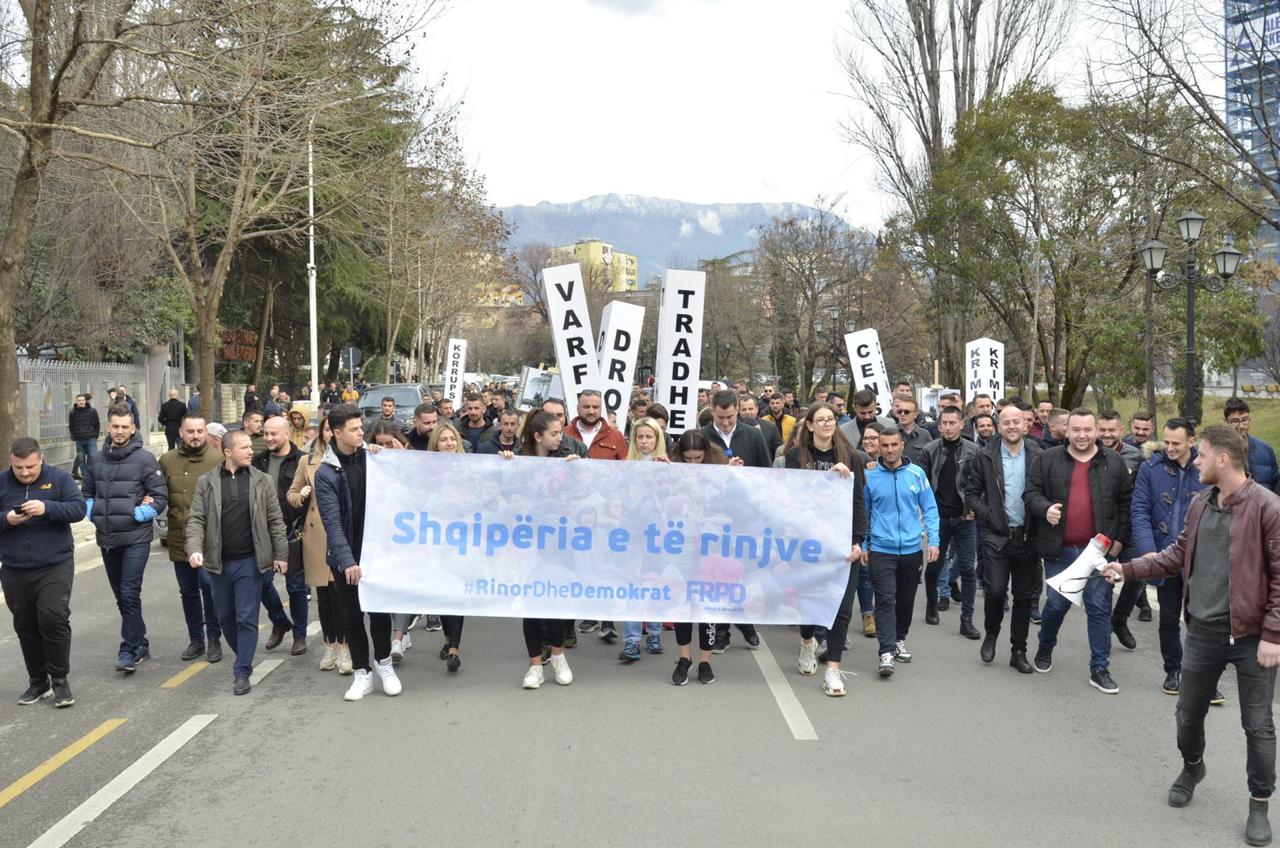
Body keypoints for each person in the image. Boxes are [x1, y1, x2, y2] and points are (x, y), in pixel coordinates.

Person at [1102, 424, 1280, 847]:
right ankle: (1193, 766)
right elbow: (1176, 555)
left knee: (1257, 726)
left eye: (1200, 455)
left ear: (1222, 459)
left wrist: (1274, 632)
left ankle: (1259, 804)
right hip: (1202, 629)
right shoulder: (1201, 502)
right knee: (1187, 714)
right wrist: (1126, 569)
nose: (1194, 462)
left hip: (1253, 636)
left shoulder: (1267, 508)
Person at [1026, 408, 1132, 694]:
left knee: (1098, 608)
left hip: (1099, 550)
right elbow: (1031, 494)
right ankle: (1046, 645)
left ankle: (1100, 668)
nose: (1082, 435)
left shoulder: (1114, 462)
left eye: (1088, 429)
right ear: (1066, 431)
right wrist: (1045, 508)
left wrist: (1119, 540)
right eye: (1076, 430)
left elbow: (1125, 504)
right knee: (1058, 605)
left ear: (1096, 430)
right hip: (1060, 549)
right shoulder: (1046, 459)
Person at [1117, 417, 1222, 704]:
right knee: (1168, 617)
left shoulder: (1207, 468)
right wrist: (1149, 551)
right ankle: (1173, 670)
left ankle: (1204, 680)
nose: (1170, 448)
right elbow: (1139, 510)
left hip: (1201, 558)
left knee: (1202, 621)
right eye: (1167, 442)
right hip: (1164, 555)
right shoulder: (1150, 468)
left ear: (1192, 441)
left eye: (1177, 443)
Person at [186, 430, 288, 695]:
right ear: (228, 452)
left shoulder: (262, 481)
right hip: (218, 564)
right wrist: (194, 548)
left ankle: (241, 671)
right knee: (225, 617)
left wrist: (281, 555)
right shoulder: (207, 482)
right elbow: (196, 519)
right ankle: (243, 653)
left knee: (246, 617)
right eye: (244, 448)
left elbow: (276, 521)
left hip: (250, 562)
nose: (251, 451)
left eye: (250, 448)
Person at [315, 404, 402, 701]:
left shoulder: (374, 458)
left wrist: (387, 458)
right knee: (351, 615)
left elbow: (405, 477)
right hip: (346, 558)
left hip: (378, 552)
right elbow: (332, 522)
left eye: (360, 427)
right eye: (354, 429)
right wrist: (347, 560)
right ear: (337, 433)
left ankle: (384, 664)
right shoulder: (326, 473)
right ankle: (362, 673)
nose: (360, 432)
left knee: (379, 612)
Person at [786, 403, 868, 697]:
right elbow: (793, 498)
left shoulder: (852, 457)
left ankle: (833, 670)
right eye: (819, 420)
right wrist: (826, 479)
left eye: (830, 419)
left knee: (842, 606)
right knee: (809, 602)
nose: (826, 424)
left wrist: (858, 540)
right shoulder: (796, 457)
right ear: (808, 425)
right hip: (809, 543)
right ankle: (807, 641)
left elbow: (859, 500)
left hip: (842, 543)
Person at [82, 404, 168, 674]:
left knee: (130, 593)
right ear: (108, 427)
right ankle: (140, 641)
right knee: (122, 597)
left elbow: (161, 497)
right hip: (107, 538)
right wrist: (90, 512)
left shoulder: (145, 460)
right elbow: (85, 492)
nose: (119, 431)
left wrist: (140, 512)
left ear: (133, 428)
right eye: (115, 426)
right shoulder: (95, 460)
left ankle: (128, 650)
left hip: (135, 538)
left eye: (124, 427)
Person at [1, 437, 85, 708]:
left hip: (54, 564)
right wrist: (6, 519)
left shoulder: (60, 479)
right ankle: (38, 682)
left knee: (53, 618)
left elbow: (78, 509)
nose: (25, 473)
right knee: (25, 625)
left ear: (41, 461)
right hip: (14, 567)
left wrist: (47, 508)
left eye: (30, 467)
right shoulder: (2, 482)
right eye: (18, 468)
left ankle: (60, 681)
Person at [498, 411, 576, 690]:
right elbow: (504, 495)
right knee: (529, 605)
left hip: (555, 544)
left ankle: (558, 656)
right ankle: (535, 666)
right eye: (555, 434)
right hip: (525, 543)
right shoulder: (519, 461)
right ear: (538, 436)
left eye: (560, 433)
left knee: (552, 600)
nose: (560, 438)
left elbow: (579, 494)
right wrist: (506, 467)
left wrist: (576, 471)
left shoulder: (566, 458)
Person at [965, 405, 1043, 673]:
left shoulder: (1038, 455)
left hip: (1027, 536)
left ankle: (1018, 650)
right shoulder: (985, 455)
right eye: (1006, 422)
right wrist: (988, 515)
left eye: (1016, 422)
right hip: (996, 536)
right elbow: (972, 493)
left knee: (1023, 596)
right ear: (999, 427)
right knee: (995, 591)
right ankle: (991, 632)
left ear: (1025, 425)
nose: (1011, 426)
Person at [864, 424, 939, 677]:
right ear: (879, 447)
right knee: (885, 599)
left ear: (901, 445)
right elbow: (863, 513)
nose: (889, 450)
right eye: (884, 446)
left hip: (911, 549)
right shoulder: (870, 476)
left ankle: (898, 639)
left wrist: (934, 541)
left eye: (894, 445)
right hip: (881, 548)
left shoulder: (916, 474)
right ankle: (885, 652)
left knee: (906, 600)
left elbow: (929, 508)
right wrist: (864, 545)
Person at [702, 390, 769, 650]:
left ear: (738, 410)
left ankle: (745, 622)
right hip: (713, 518)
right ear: (711, 410)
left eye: (730, 416)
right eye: (720, 417)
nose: (726, 422)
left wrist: (746, 477)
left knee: (742, 574)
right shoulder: (703, 437)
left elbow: (766, 474)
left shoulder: (752, 435)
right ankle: (722, 631)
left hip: (745, 518)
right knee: (718, 576)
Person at [158, 413, 225, 663]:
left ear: (206, 433)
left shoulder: (218, 459)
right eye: (190, 431)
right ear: (181, 434)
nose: (195, 436)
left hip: (210, 539)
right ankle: (195, 639)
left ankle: (214, 638)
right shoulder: (166, 460)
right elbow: (158, 493)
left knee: (208, 588)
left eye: (199, 431)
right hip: (178, 537)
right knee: (187, 591)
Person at [288, 416, 351, 674]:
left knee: (341, 596)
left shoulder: (350, 460)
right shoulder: (307, 461)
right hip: (315, 534)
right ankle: (330, 646)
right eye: (325, 430)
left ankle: (346, 649)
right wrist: (300, 496)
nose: (328, 434)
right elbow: (291, 493)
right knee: (323, 597)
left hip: (341, 533)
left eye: (331, 430)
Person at [917, 407, 981, 638]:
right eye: (944, 423)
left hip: (965, 518)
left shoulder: (974, 450)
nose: (948, 427)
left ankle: (967, 619)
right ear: (940, 424)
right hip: (938, 518)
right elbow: (922, 484)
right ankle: (932, 603)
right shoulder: (930, 450)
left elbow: (980, 484)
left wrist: (975, 509)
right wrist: (923, 514)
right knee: (934, 566)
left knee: (968, 569)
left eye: (953, 422)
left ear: (962, 423)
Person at [252, 416, 309, 655]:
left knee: (296, 587)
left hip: (292, 530)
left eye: (273, 434)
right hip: (262, 532)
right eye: (265, 433)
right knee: (261, 583)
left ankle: (299, 635)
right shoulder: (257, 461)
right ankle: (279, 621)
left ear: (287, 434)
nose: (268, 438)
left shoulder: (301, 460)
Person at [618, 417, 669, 664]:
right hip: (633, 539)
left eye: (649, 436)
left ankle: (655, 634)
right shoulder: (627, 467)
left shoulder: (667, 468)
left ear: (657, 439)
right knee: (633, 588)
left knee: (654, 586)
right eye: (640, 436)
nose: (644, 441)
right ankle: (631, 640)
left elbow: (672, 506)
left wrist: (667, 474)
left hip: (657, 539)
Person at [1225, 397, 1280, 494]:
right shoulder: (1217, 452)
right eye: (1235, 421)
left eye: (1245, 420)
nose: (1241, 426)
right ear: (1226, 422)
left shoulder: (1266, 450)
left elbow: (1276, 484)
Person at [564, 389, 628, 460]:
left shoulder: (616, 436)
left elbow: (625, 467)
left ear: (601, 409)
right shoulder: (564, 434)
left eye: (595, 407)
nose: (591, 411)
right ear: (578, 408)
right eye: (586, 407)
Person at [1098, 410, 1145, 475]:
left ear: (1121, 431)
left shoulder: (1136, 456)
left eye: (1111, 430)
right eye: (1102, 430)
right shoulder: (1089, 455)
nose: (1107, 435)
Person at [890, 395, 932, 462]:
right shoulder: (890, 432)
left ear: (915, 414)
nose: (902, 414)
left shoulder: (925, 435)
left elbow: (931, 458)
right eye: (899, 411)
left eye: (906, 412)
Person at [68, 393, 100, 481]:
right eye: (79, 400)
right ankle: (85, 478)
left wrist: (95, 435)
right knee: (81, 459)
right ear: (76, 401)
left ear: (85, 401)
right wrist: (74, 435)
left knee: (92, 458)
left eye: (83, 400)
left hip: (91, 439)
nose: (81, 402)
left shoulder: (92, 411)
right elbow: (71, 425)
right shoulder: (72, 412)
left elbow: (97, 424)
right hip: (79, 440)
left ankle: (92, 476)